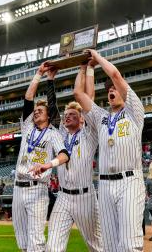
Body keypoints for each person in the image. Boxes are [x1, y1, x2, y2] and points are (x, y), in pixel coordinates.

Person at [74, 49, 145, 251]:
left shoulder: (134, 111)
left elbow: (115, 75)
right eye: (108, 90)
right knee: (111, 246)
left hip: (130, 181)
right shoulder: (101, 117)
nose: (111, 91)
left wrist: (96, 57)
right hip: (104, 185)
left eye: (114, 89)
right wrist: (83, 66)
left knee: (130, 245)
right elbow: (78, 94)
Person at [12, 62, 70, 252]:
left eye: (40, 111)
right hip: (18, 189)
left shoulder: (53, 133)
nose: (36, 112)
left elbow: (64, 156)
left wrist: (48, 165)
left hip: (37, 189)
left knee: (36, 241)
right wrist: (38, 74)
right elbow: (28, 98)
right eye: (35, 111)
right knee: (22, 241)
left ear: (48, 116)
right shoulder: (27, 127)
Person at [45, 63, 102, 252]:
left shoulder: (89, 134)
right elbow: (52, 110)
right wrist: (50, 80)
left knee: (96, 246)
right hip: (63, 196)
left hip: (85, 196)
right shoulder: (61, 135)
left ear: (82, 118)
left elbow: (89, 101)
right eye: (66, 115)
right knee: (52, 246)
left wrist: (85, 69)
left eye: (72, 114)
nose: (67, 117)